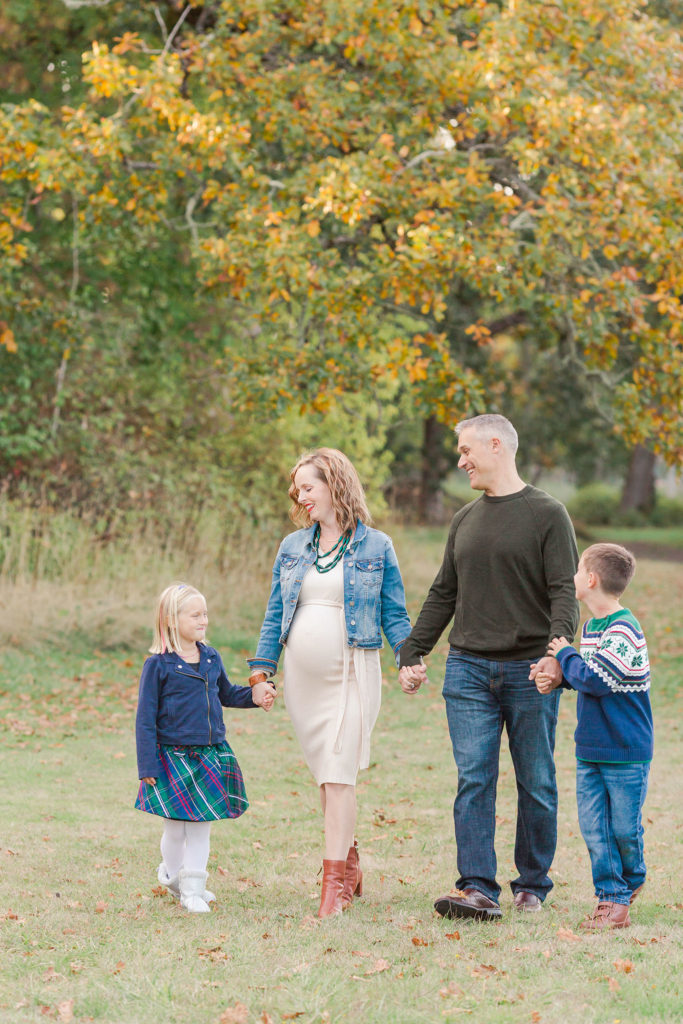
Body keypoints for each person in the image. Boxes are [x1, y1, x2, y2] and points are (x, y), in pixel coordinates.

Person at [399, 413, 579, 920]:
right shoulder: (465, 519)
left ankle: (532, 885)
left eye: (465, 451)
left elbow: (564, 590)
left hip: (529, 670)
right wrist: (414, 649)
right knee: (474, 778)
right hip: (468, 669)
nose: (460, 461)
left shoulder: (548, 514)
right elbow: (443, 592)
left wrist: (557, 653)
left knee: (536, 780)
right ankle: (477, 887)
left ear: (495, 445)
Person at [248, 448, 412, 918]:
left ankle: (333, 887)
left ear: (335, 484)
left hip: (352, 671)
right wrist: (262, 670)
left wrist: (408, 658)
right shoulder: (293, 547)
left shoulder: (375, 546)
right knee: (326, 778)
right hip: (304, 680)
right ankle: (351, 862)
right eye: (297, 490)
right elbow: (275, 612)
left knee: (339, 775)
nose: (300, 498)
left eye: (308, 487)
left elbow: (394, 613)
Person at [135, 582, 276, 913]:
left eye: (205, 614)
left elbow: (226, 694)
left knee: (200, 826)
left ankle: (194, 889)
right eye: (195, 615)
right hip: (171, 756)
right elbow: (144, 720)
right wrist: (147, 766)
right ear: (172, 620)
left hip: (209, 754)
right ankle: (172, 876)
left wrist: (256, 694)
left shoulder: (211, 657)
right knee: (174, 828)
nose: (203, 620)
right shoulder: (158, 665)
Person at [536, 543, 653, 930]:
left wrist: (565, 654)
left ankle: (631, 878)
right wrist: (553, 676)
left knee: (623, 828)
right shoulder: (591, 628)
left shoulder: (625, 629)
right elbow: (583, 678)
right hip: (590, 748)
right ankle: (612, 897)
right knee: (594, 828)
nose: (572, 578)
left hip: (625, 750)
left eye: (577, 571)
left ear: (590, 579)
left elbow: (599, 679)